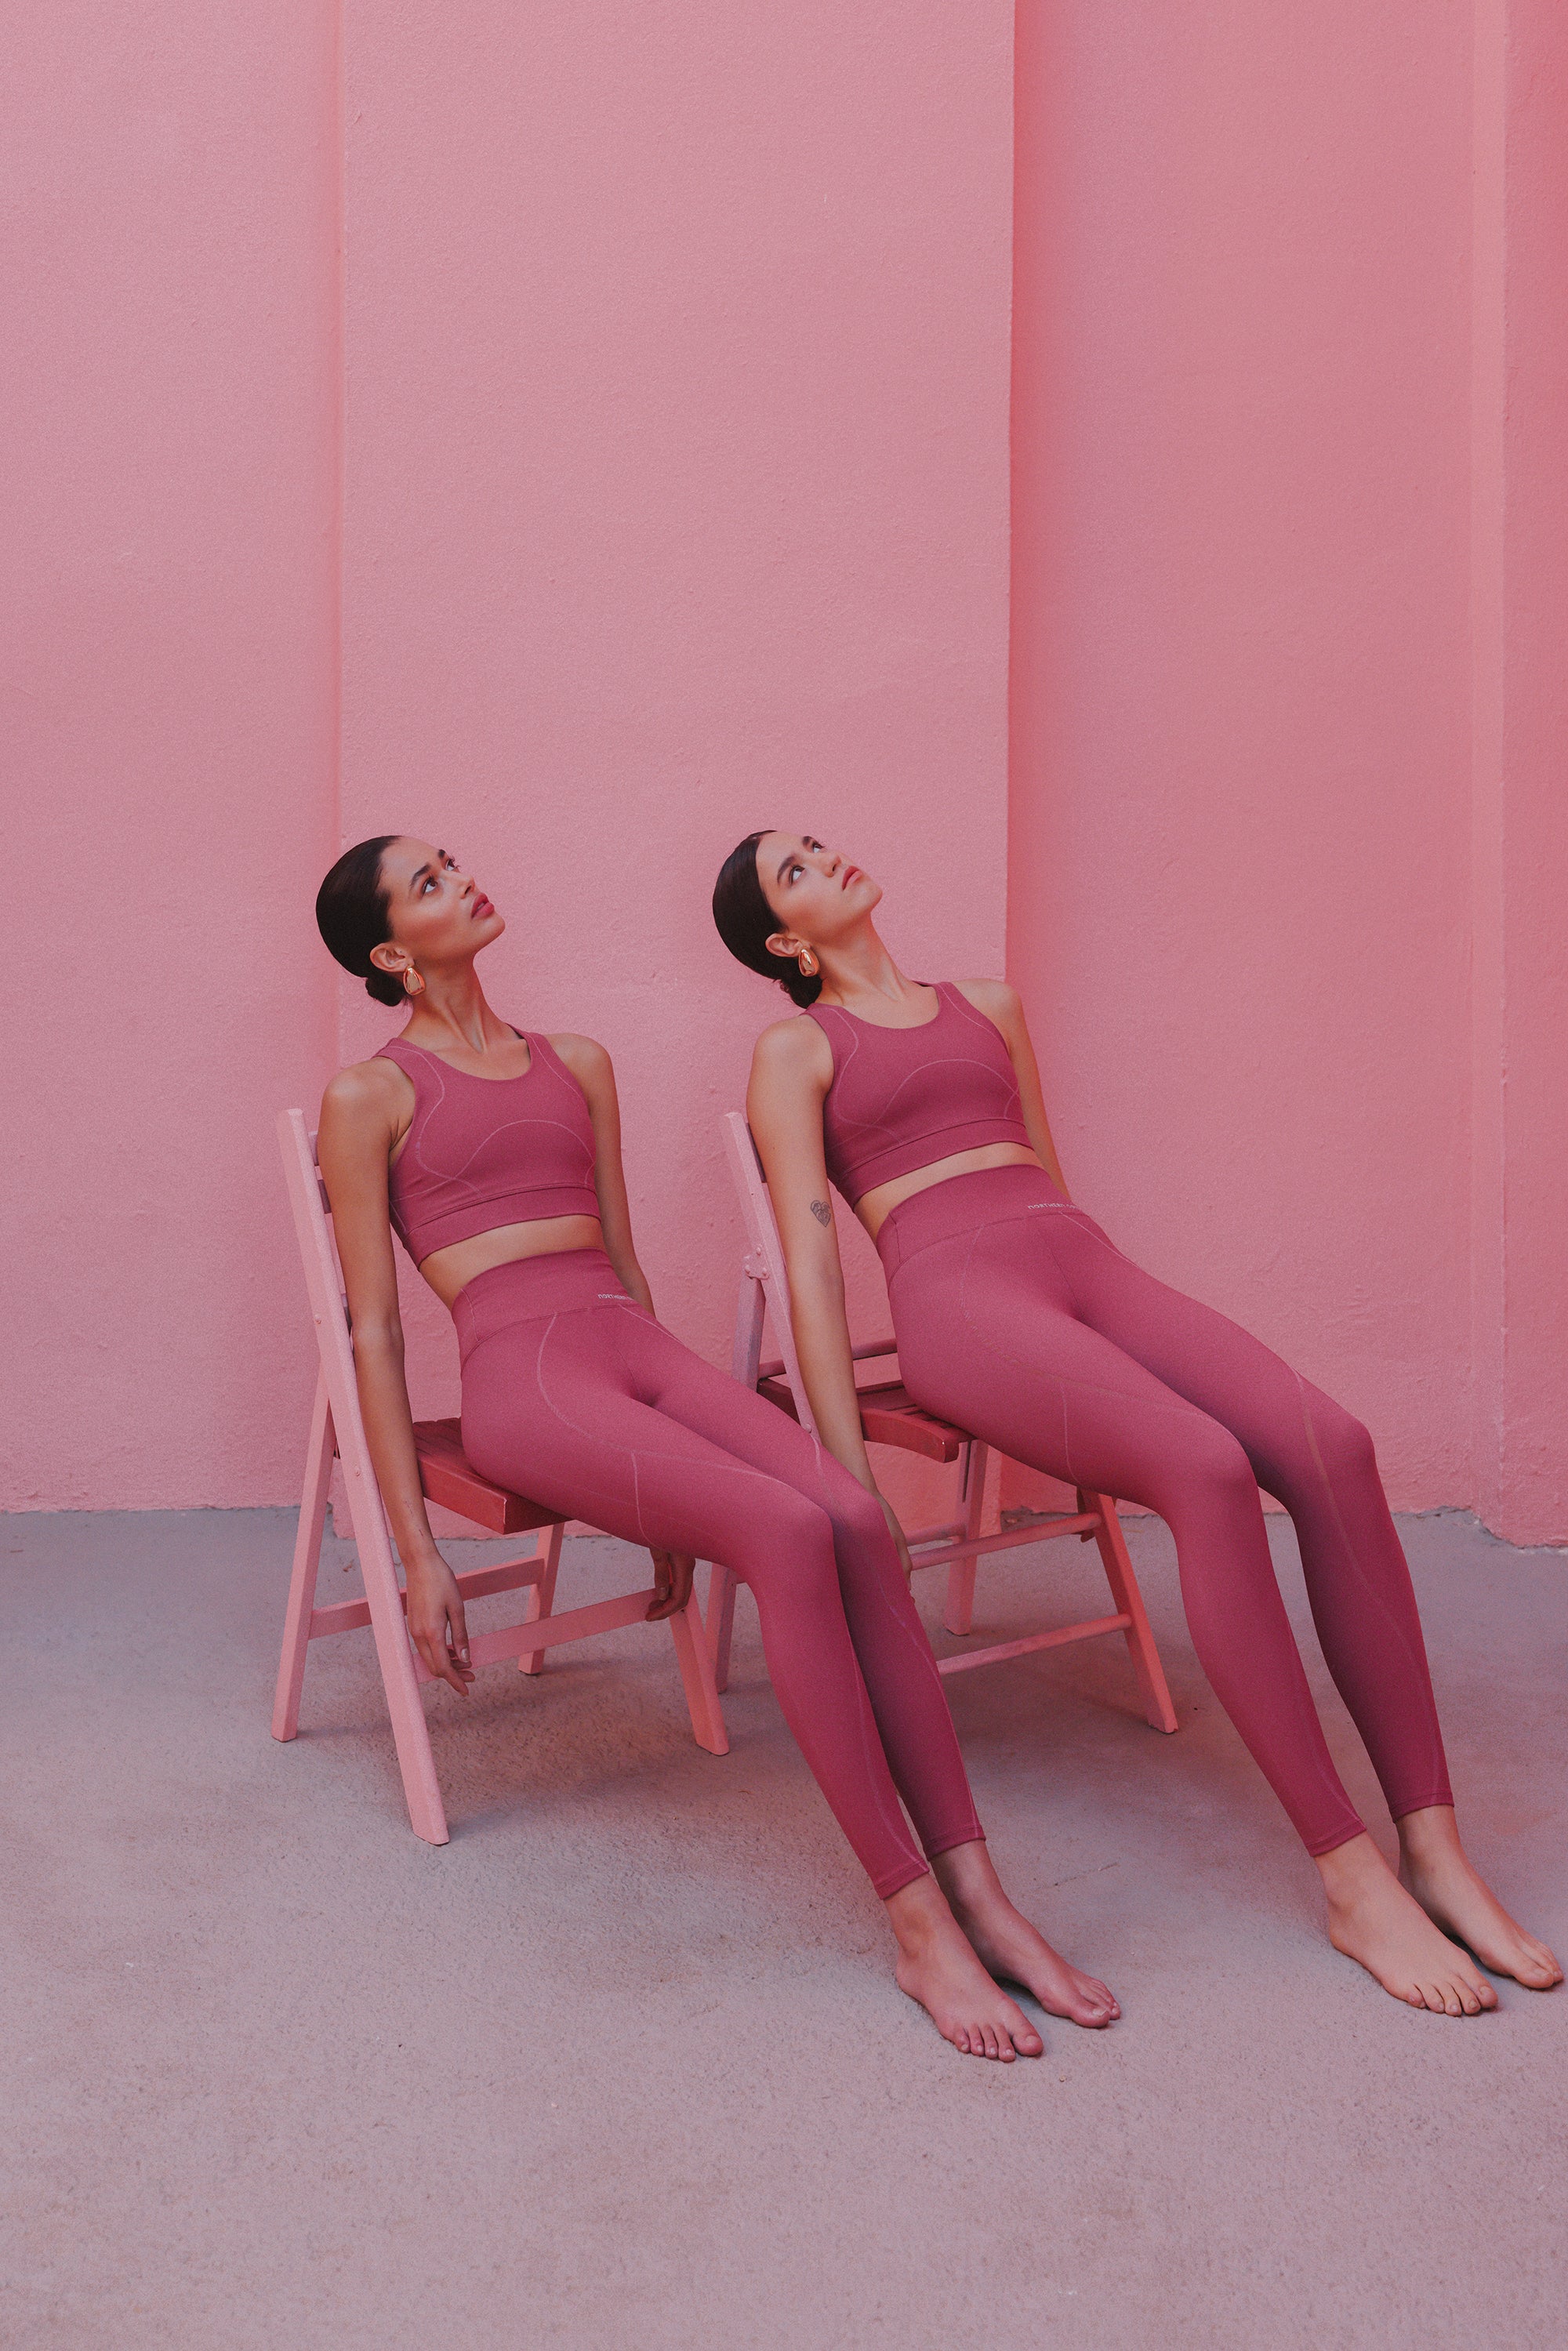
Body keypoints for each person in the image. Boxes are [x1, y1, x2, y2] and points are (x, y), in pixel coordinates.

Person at [713, 829, 1563, 2017]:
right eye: (795, 872)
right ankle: (1349, 1874)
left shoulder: (989, 1004)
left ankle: (1433, 1844)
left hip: (1075, 1262)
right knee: (1206, 1468)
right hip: (959, 1299)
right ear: (787, 941)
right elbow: (809, 1254)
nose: (827, 859)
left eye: (817, 843)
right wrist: (844, 1458)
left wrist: (1107, 1319)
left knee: (1334, 1443)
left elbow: (1048, 1180)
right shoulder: (797, 1045)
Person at [312, 833, 1121, 2061]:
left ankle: (982, 1889)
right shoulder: (369, 1096)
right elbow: (371, 1330)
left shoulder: (577, 1062)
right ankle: (917, 1923)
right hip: (522, 1379)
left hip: (632, 1349)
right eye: (426, 886)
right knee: (791, 1530)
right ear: (389, 954)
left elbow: (625, 1264)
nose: (462, 879)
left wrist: (668, 1464)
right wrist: (416, 1550)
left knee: (853, 1511)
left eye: (453, 863)